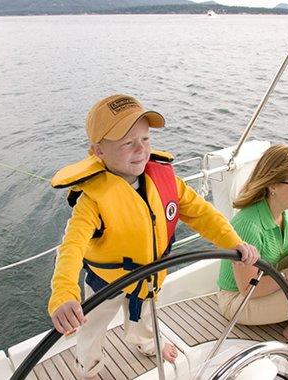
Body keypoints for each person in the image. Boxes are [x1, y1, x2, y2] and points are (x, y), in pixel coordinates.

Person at [48, 93, 259, 379]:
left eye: (145, 139)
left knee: (146, 316)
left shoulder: (167, 181)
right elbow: (71, 247)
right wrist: (64, 294)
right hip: (104, 283)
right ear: (98, 151)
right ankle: (89, 366)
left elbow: (202, 214)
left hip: (150, 275)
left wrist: (233, 242)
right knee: (92, 326)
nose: (140, 149)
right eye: (127, 143)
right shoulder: (92, 201)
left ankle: (147, 343)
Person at [216, 144, 288, 356]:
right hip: (238, 301)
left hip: (268, 276)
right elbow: (248, 290)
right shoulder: (248, 225)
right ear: (273, 185)